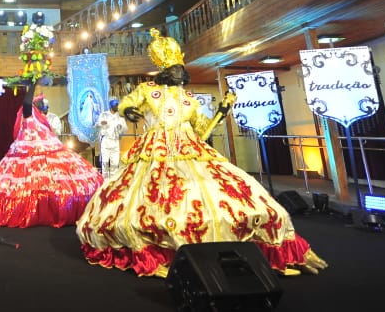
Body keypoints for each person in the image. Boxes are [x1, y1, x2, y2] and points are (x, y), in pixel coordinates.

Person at [76, 29, 327, 278]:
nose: (179, 76)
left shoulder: (189, 100)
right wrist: (128, 110)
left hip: (190, 148)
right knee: (151, 197)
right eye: (174, 71)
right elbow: (126, 103)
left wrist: (222, 111)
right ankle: (160, 245)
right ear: (166, 71)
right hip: (156, 148)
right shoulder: (147, 90)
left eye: (180, 70)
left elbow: (203, 130)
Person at [0, 79, 103, 228]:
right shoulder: (28, 112)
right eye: (39, 99)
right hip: (27, 150)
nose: (42, 102)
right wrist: (32, 83)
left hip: (45, 148)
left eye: (42, 99)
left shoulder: (43, 118)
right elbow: (27, 102)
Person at [95, 98, 126, 179]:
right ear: (111, 105)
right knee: (105, 163)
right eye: (116, 105)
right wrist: (101, 123)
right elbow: (96, 124)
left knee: (115, 163)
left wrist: (121, 129)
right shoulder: (104, 115)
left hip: (115, 142)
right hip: (106, 141)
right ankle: (104, 182)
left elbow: (124, 129)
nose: (117, 106)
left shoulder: (120, 117)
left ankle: (113, 182)